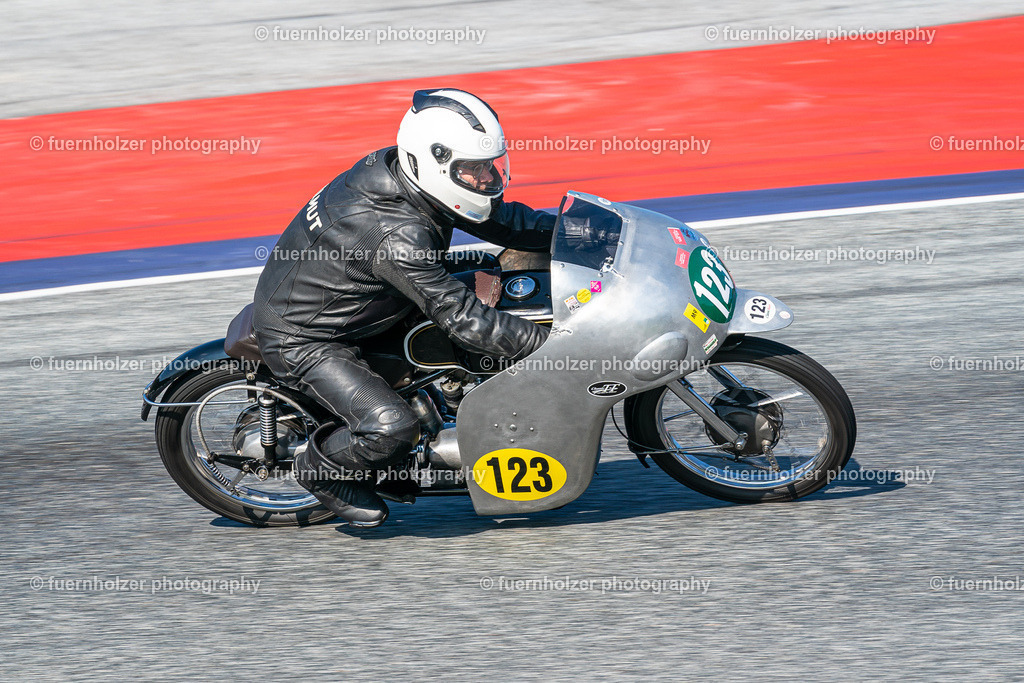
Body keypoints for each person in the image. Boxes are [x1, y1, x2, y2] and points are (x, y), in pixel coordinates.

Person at [252, 89, 555, 528]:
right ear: (434, 163)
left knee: (501, 281)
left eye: (491, 165)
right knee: (391, 427)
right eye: (474, 169)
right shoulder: (396, 233)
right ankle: (322, 470)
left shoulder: (403, 174)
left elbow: (506, 222)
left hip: (362, 296)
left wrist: (583, 232)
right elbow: (464, 320)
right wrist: (557, 345)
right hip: (307, 337)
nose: (488, 178)